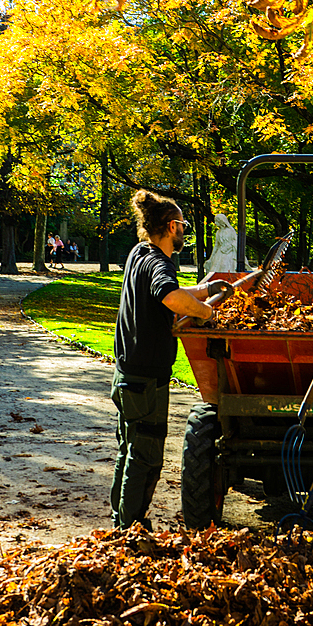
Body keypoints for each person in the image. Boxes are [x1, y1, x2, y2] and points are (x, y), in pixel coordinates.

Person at [111, 189, 235, 531]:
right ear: (170, 227)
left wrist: (206, 290)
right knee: (145, 457)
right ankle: (130, 529)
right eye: (182, 225)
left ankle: (121, 522)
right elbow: (168, 296)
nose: (184, 231)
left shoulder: (140, 253)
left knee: (130, 450)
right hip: (145, 381)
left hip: (128, 375)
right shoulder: (157, 262)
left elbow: (169, 292)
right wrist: (207, 311)